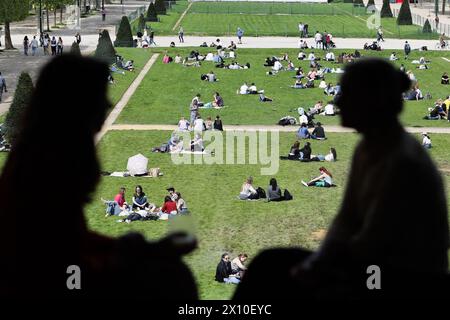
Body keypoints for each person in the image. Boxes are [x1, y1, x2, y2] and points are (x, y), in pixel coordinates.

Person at [0, 55, 198, 299]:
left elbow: (70, 235)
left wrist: (135, 248)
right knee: (173, 278)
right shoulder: (51, 159)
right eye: (99, 100)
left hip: (53, 270)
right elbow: (58, 252)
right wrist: (131, 253)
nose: (106, 108)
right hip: (46, 280)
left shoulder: (44, 150)